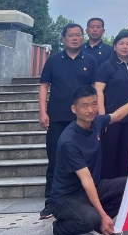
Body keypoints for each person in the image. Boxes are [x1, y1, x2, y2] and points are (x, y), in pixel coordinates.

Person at [49, 86, 128, 235]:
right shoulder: (69, 141)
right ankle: (60, 230)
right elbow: (86, 180)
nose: (91, 110)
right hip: (65, 197)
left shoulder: (95, 123)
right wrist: (103, 215)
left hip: (90, 189)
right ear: (74, 109)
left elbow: (117, 115)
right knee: (89, 219)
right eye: (85, 106)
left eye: (94, 104)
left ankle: (98, 225)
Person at [38, 23, 97, 219]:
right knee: (55, 159)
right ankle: (51, 201)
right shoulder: (54, 60)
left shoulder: (90, 60)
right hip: (57, 117)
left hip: (83, 120)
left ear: (83, 37)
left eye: (78, 35)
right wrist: (42, 112)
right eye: (71, 35)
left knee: (85, 160)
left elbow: (94, 89)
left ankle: (84, 199)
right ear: (63, 38)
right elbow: (44, 86)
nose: (74, 38)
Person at [93, 31, 128, 180]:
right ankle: (107, 189)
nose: (125, 47)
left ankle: (122, 190)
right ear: (114, 46)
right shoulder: (106, 67)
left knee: (125, 156)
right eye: (121, 43)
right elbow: (99, 92)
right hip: (111, 119)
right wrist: (103, 118)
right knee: (109, 156)